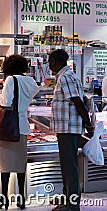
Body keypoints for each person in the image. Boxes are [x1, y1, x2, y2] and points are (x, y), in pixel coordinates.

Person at [48, 49, 94, 211]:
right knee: (67, 166)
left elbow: (77, 102)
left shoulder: (66, 77)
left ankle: (72, 205)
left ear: (54, 61)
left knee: (70, 167)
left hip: (69, 128)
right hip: (66, 127)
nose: (48, 65)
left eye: (49, 61)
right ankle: (68, 201)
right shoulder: (66, 76)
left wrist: (88, 125)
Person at [0, 54, 39, 210]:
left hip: (9, 127)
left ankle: (4, 198)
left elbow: (6, 102)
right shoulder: (31, 81)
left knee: (5, 167)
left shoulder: (11, 80)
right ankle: (21, 198)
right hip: (23, 126)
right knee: (20, 165)